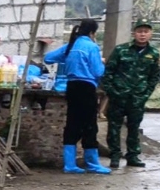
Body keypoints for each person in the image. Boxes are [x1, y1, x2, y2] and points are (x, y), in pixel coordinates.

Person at [44, 19, 110, 175]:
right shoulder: (92, 47)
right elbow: (98, 72)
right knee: (89, 125)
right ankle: (92, 163)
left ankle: (69, 164)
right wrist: (102, 62)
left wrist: (67, 59)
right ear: (93, 33)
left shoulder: (71, 45)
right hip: (86, 87)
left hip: (71, 87)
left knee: (72, 123)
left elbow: (48, 58)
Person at [102, 21, 160, 169]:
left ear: (150, 34)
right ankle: (115, 155)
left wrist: (145, 94)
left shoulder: (153, 54)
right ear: (134, 33)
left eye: (146, 32)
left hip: (138, 98)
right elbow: (108, 72)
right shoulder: (121, 50)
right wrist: (111, 91)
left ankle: (133, 156)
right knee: (114, 127)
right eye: (139, 31)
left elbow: (153, 77)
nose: (142, 34)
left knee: (134, 128)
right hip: (119, 95)